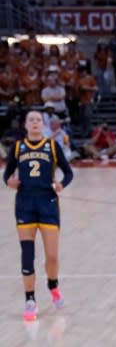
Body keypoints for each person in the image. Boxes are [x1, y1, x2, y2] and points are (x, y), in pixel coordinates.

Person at [3, 110, 74, 321]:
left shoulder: (52, 146)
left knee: (51, 256)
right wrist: (9, 182)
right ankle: (30, 300)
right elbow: (7, 174)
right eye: (31, 119)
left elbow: (69, 172)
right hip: (25, 204)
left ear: (42, 125)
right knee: (27, 254)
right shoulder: (17, 147)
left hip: (48, 203)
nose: (35, 122)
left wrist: (62, 184)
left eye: (38, 120)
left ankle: (53, 286)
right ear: (26, 124)